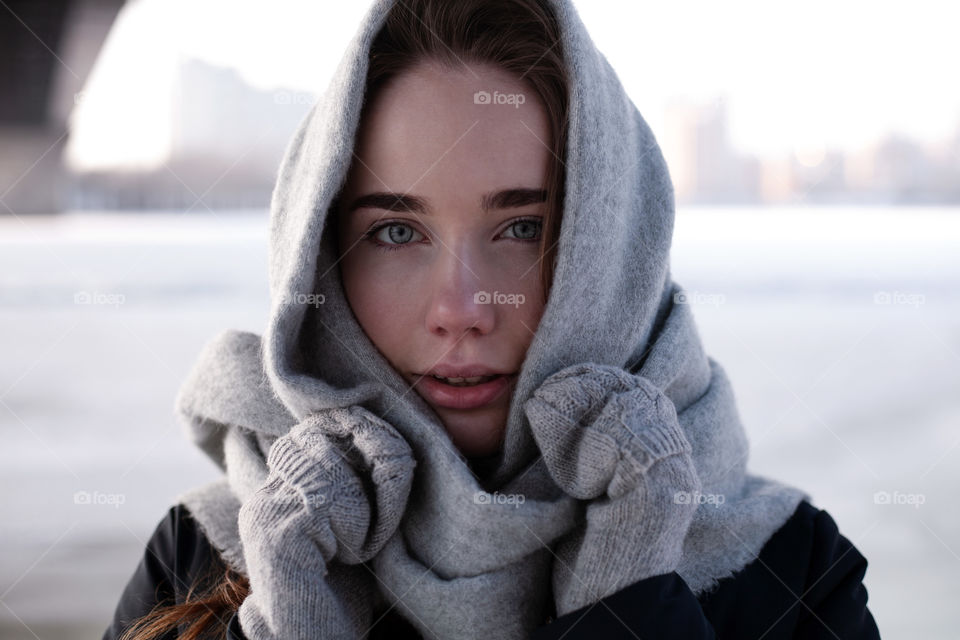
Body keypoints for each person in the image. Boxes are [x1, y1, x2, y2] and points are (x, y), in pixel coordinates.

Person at [102, 0, 882, 638]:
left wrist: (632, 606)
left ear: (610, 247)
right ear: (320, 260)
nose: (461, 310)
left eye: (523, 229)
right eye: (396, 233)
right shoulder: (207, 557)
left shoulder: (791, 573)